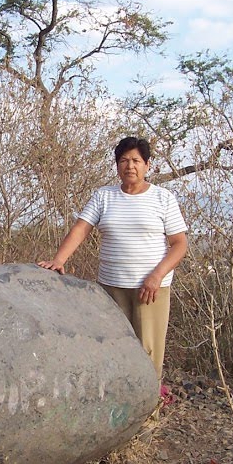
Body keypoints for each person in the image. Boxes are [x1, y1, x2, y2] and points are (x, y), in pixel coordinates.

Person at [38, 136, 187, 387]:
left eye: (136, 160)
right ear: (117, 165)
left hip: (150, 289)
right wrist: (58, 260)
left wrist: (157, 276)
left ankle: (149, 414)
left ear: (147, 165)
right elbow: (81, 229)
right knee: (114, 347)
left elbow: (179, 244)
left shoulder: (163, 198)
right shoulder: (103, 196)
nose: (130, 166)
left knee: (148, 353)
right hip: (111, 287)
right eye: (124, 160)